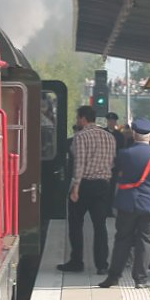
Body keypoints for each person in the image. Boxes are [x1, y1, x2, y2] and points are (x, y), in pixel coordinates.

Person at [99, 118, 150, 289]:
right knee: (146, 242)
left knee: (122, 240)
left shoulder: (124, 154)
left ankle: (113, 277)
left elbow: (113, 173)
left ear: (134, 134)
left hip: (127, 204)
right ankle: (140, 279)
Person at [59, 106, 117, 274]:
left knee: (76, 224)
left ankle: (77, 261)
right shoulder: (109, 137)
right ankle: (102, 264)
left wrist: (75, 187)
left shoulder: (81, 136)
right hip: (103, 185)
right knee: (100, 226)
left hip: (85, 184)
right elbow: (112, 163)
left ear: (83, 118)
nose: (77, 121)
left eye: (78, 117)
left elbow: (79, 164)